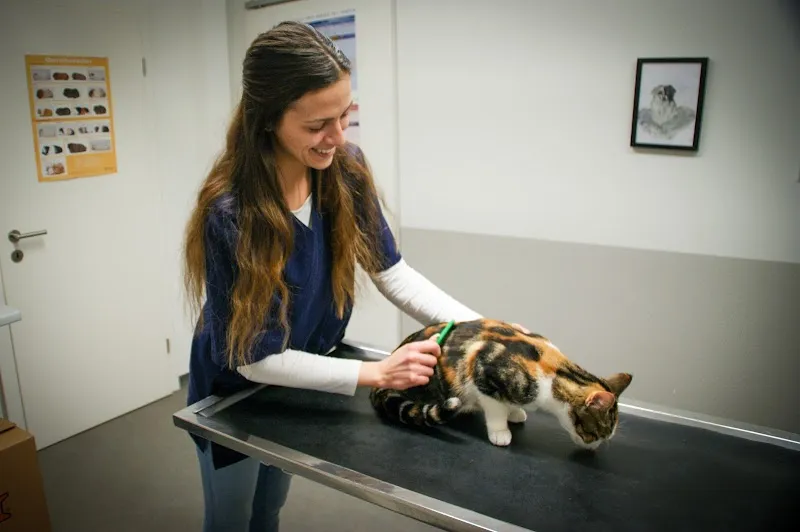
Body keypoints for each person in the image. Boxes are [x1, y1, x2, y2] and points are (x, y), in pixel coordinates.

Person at [182, 21, 529, 532]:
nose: (338, 136)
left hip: (302, 380)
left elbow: (392, 274)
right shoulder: (231, 214)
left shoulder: (343, 170)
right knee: (230, 519)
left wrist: (488, 331)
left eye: (345, 115)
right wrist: (378, 374)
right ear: (268, 119)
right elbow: (255, 361)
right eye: (318, 124)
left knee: (268, 510)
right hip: (235, 393)